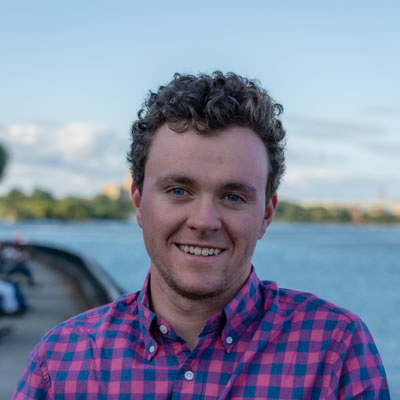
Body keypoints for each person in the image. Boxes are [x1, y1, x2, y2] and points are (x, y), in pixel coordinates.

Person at [13, 72, 390, 399]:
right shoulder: (62, 360)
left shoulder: (335, 353)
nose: (204, 220)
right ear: (139, 202)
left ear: (267, 215)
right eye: (179, 190)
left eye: (233, 196)